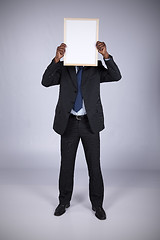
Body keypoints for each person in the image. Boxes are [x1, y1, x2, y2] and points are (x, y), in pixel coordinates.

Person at [41, 41, 121, 220]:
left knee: (94, 166)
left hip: (89, 124)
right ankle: (63, 201)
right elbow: (45, 82)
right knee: (66, 165)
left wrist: (105, 55)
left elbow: (116, 76)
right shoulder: (63, 68)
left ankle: (97, 205)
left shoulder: (96, 68)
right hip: (68, 123)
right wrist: (56, 59)